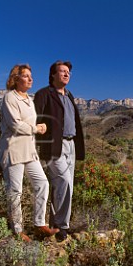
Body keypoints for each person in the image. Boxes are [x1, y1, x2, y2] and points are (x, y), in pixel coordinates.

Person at [0, 64, 60, 242]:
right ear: (16, 79)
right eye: (26, 76)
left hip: (29, 151)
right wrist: (36, 128)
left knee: (42, 183)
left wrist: (38, 128)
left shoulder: (29, 100)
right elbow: (15, 124)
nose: (30, 79)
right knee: (15, 190)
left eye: (31, 76)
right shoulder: (10, 97)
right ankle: (17, 231)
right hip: (13, 150)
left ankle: (39, 223)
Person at [34, 60, 85, 241]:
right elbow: (35, 119)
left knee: (64, 186)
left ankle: (55, 224)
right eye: (62, 71)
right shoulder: (44, 94)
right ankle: (61, 226)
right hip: (53, 145)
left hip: (70, 145)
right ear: (53, 75)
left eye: (68, 72)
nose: (66, 74)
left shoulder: (70, 96)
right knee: (64, 182)